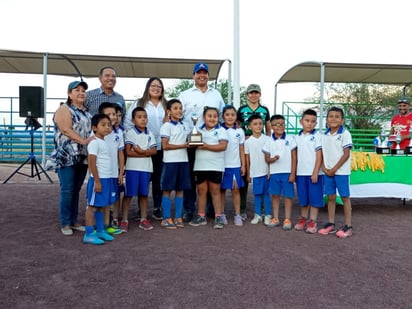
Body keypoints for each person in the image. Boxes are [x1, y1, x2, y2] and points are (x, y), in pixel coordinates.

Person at [178, 62, 225, 222]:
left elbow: (223, 116)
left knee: (211, 177)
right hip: (192, 143)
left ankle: (211, 210)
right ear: (193, 75)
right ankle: (189, 209)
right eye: (199, 73)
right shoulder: (185, 95)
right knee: (191, 177)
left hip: (212, 141)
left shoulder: (216, 94)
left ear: (208, 76)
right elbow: (179, 116)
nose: (202, 75)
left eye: (204, 73)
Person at [52, 80, 94, 236]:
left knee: (76, 189)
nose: (81, 92)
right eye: (77, 90)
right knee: (67, 189)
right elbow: (65, 129)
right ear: (69, 94)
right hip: (67, 155)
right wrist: (83, 141)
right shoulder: (64, 109)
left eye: (83, 90)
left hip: (82, 156)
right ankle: (65, 222)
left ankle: (74, 220)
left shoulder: (87, 112)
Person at [125, 77, 168, 220]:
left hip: (161, 147)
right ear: (147, 87)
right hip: (142, 149)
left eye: (159, 86)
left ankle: (157, 207)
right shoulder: (139, 103)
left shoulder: (166, 105)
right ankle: (140, 209)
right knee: (143, 178)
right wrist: (134, 141)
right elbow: (128, 123)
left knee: (158, 179)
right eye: (153, 85)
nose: (156, 88)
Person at [189, 107, 228, 229]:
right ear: (204, 117)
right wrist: (193, 143)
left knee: (215, 191)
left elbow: (223, 146)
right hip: (200, 166)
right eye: (209, 116)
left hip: (215, 166)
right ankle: (201, 216)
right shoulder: (198, 130)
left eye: (215, 116)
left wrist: (206, 146)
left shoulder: (221, 130)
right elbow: (191, 144)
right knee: (201, 191)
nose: (212, 118)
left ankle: (218, 216)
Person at [237, 84, 271, 220]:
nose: (254, 95)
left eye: (256, 93)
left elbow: (268, 127)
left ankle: (263, 209)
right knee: (245, 176)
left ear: (260, 94)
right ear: (247, 95)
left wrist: (268, 141)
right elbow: (238, 126)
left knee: (262, 174)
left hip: (260, 145)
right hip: (245, 145)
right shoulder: (241, 109)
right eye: (251, 93)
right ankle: (242, 208)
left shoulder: (264, 110)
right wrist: (242, 138)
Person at [318, 106, 353, 238]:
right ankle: (331, 223)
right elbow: (321, 153)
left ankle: (348, 226)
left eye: (337, 117)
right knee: (331, 197)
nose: (333, 119)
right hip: (328, 172)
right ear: (326, 120)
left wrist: (334, 169)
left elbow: (346, 154)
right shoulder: (324, 135)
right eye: (331, 116)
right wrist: (324, 167)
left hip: (341, 172)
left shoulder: (345, 134)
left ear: (342, 120)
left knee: (344, 197)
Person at [121, 107, 157, 231]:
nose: (143, 119)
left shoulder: (150, 133)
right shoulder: (130, 132)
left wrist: (142, 151)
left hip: (146, 169)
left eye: (145, 117)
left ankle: (143, 219)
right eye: (139, 117)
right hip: (132, 168)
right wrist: (145, 153)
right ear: (133, 119)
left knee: (144, 194)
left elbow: (154, 151)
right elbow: (128, 152)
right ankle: (124, 220)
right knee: (129, 194)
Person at [83, 114, 116, 245]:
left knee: (101, 206)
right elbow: (92, 162)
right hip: (98, 180)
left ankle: (101, 230)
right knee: (92, 207)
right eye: (103, 125)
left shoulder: (104, 142)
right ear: (94, 128)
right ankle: (89, 233)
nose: (107, 127)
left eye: (109, 125)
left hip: (106, 179)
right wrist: (96, 180)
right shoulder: (94, 143)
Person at [159, 99, 191, 229]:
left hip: (183, 161)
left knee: (180, 190)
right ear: (169, 111)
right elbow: (165, 146)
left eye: (180, 108)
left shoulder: (185, 126)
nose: (179, 111)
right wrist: (184, 145)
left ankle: (178, 217)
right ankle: (166, 218)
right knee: (167, 190)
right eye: (175, 108)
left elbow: (192, 137)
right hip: (170, 162)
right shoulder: (166, 126)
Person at [263, 114, 297, 230]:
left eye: (282, 124)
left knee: (288, 196)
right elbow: (266, 158)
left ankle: (287, 219)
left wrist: (293, 173)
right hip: (274, 173)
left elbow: (294, 157)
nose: (280, 126)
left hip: (287, 173)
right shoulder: (268, 141)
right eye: (277, 124)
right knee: (275, 196)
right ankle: (276, 218)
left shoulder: (290, 139)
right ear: (271, 126)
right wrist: (272, 159)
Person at [294, 109, 324, 234]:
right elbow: (294, 157)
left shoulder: (318, 136)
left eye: (313, 121)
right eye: (307, 121)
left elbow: (319, 155)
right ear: (301, 121)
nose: (309, 123)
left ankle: (312, 221)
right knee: (303, 199)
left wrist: (316, 172)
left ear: (316, 123)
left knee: (315, 199)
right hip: (301, 173)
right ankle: (303, 219)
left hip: (315, 174)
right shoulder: (296, 137)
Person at [97, 103, 124, 235]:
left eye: (114, 114)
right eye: (109, 114)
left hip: (113, 173)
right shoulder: (97, 134)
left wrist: (121, 172)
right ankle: (98, 226)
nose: (113, 117)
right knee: (99, 201)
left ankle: (107, 225)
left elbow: (120, 153)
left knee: (109, 200)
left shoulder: (118, 133)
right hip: (101, 174)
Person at [220, 105, 245, 226]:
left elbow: (241, 150)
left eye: (233, 115)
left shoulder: (240, 131)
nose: (230, 117)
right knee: (221, 191)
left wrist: (243, 165)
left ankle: (237, 215)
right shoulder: (219, 130)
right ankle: (221, 214)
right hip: (221, 165)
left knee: (235, 190)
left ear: (236, 116)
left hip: (235, 165)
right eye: (227, 115)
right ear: (223, 116)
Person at [244, 115, 271, 225]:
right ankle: (258, 214)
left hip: (266, 172)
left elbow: (270, 156)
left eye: (260, 123)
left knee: (266, 194)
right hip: (255, 172)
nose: (258, 126)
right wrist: (248, 173)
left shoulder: (268, 139)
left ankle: (268, 214)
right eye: (255, 124)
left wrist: (270, 170)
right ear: (249, 127)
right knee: (257, 194)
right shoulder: (248, 142)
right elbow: (247, 159)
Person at [112, 104, 126, 230]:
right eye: (115, 115)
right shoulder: (104, 130)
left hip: (117, 169)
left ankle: (115, 218)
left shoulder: (121, 131)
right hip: (104, 169)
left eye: (120, 115)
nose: (117, 118)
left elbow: (121, 153)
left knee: (117, 193)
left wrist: (121, 172)